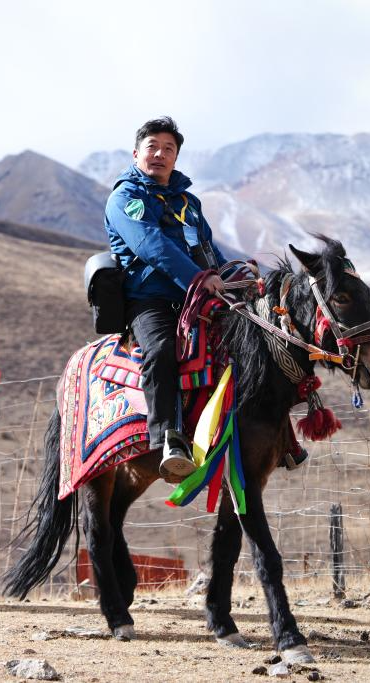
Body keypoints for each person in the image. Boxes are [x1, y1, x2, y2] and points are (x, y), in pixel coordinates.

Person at [104, 117, 227, 480]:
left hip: (196, 297)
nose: (159, 154)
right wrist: (199, 279)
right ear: (136, 153)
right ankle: (168, 439)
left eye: (168, 149)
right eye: (152, 147)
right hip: (150, 300)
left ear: (176, 157)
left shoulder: (188, 202)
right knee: (161, 350)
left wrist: (234, 278)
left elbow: (208, 249)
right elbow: (151, 245)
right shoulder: (125, 199)